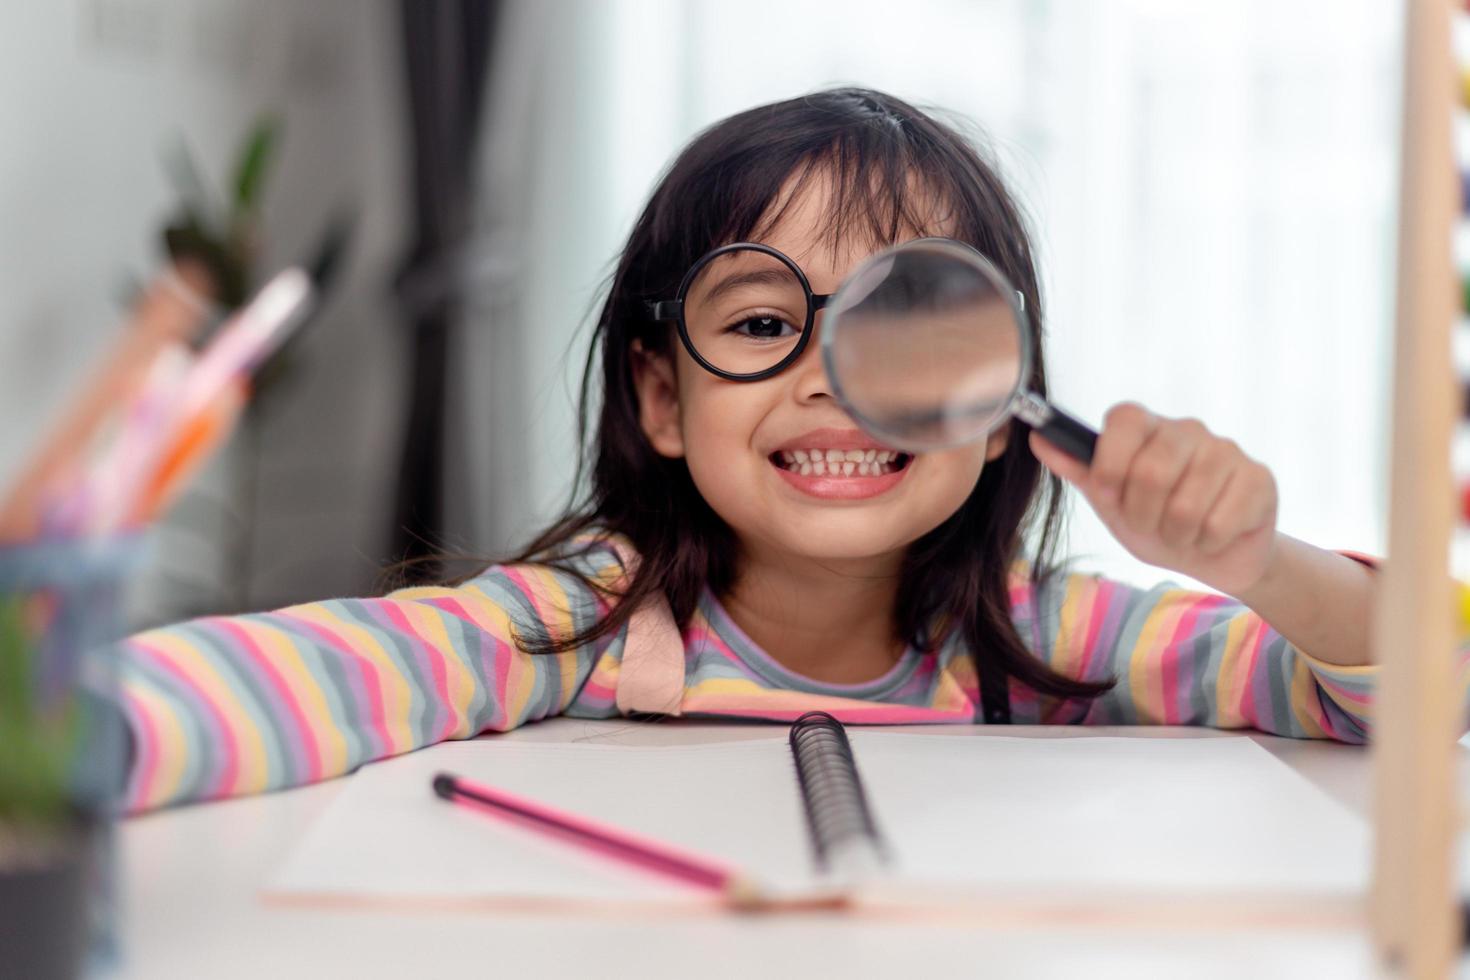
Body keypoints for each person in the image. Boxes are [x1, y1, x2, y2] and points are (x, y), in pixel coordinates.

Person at [116, 88, 1411, 814]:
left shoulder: (1045, 638)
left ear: (1001, 390)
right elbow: (332, 674)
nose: (828, 381)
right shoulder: (599, 623)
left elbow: (1408, 697)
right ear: (662, 397)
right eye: (760, 321)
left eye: (899, 325)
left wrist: (1258, 563)